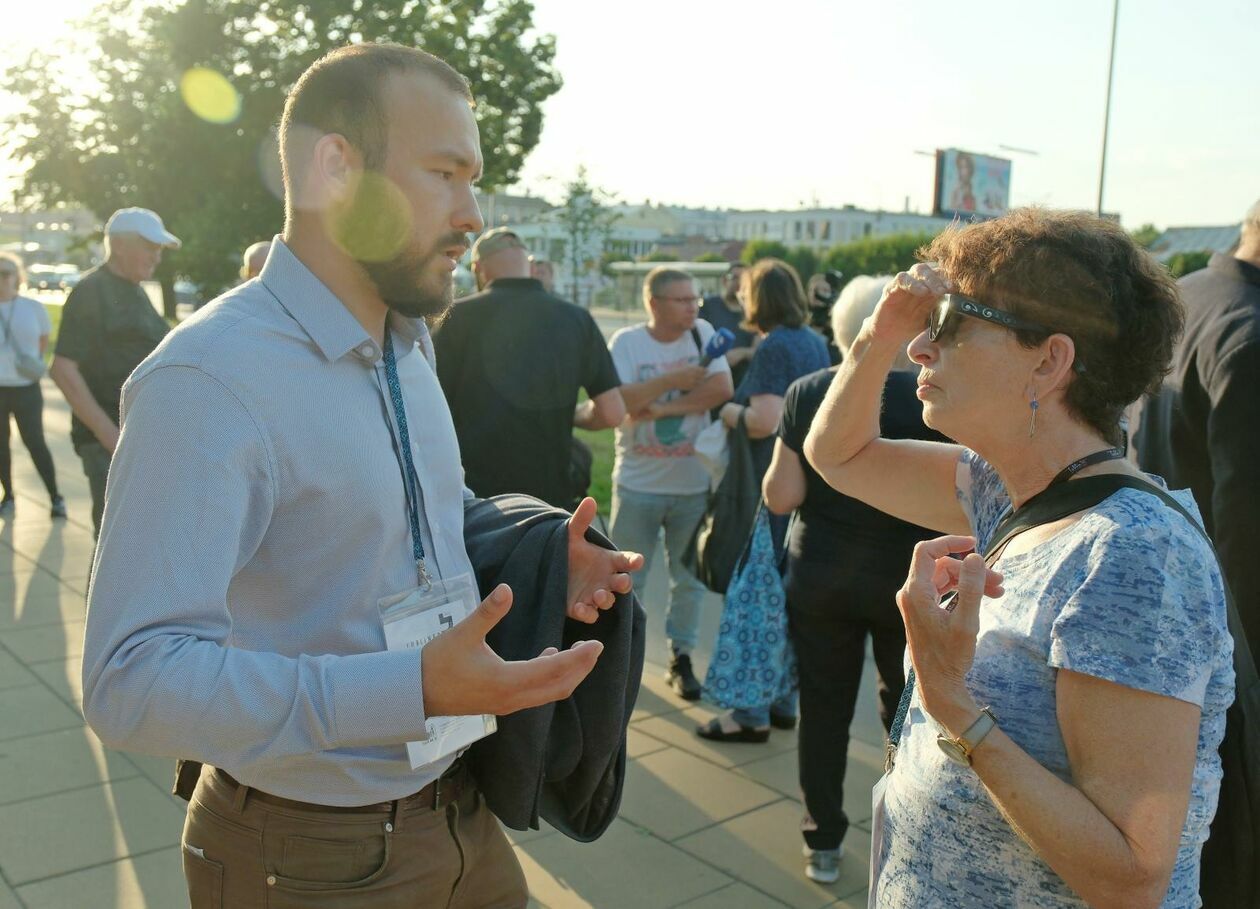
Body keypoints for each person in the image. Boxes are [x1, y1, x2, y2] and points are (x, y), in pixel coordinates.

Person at [80, 43, 644, 908]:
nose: (471, 215)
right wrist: (406, 688)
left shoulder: (406, 342)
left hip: (461, 808)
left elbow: (421, 512)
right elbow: (129, 681)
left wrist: (535, 559)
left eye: (475, 179)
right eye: (445, 174)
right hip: (305, 853)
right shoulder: (208, 380)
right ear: (337, 168)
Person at [805, 209, 1233, 907]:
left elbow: (1131, 874)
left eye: (947, 320)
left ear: (1049, 360)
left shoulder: (1133, 553)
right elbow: (838, 455)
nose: (921, 344)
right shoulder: (1005, 485)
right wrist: (875, 337)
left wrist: (956, 706)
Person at [762, 274, 944, 883]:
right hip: (913, 584)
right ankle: (904, 832)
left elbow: (782, 496)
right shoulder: (936, 400)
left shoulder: (811, 390)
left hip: (822, 579)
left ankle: (824, 841)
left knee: (824, 709)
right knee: (909, 712)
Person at [698, 257, 830, 741]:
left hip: (770, 487)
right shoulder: (814, 341)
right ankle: (782, 702)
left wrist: (727, 410)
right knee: (786, 599)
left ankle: (747, 715)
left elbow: (765, 420)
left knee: (755, 599)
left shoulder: (775, 346)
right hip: (809, 489)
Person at [1136, 198, 1260, 659]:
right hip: (1224, 622)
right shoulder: (1251, 332)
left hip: (1160, 577)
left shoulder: (1188, 293)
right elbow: (1246, 523)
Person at [608, 266, 733, 699]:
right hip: (636, 484)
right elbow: (619, 401)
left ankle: (681, 657)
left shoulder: (702, 333)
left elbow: (721, 388)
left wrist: (661, 408)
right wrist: (672, 382)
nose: (692, 306)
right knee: (627, 578)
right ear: (653, 303)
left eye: (694, 298)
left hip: (693, 485)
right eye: (681, 299)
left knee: (688, 581)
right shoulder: (627, 343)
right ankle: (623, 659)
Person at [435, 226, 625, 508]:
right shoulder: (576, 318)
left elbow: (428, 408)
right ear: (528, 265)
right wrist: (568, 416)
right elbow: (612, 413)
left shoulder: (456, 317)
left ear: (479, 268)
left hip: (474, 497)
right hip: (549, 496)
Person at [49, 207, 180, 535]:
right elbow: (63, 370)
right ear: (119, 245)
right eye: (150, 247)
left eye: (159, 249)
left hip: (141, 438)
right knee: (117, 546)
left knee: (143, 542)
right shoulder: (93, 291)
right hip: (112, 445)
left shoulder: (135, 290)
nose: (156, 257)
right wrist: (112, 437)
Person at [0, 252, 64, 518]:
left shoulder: (32, 307)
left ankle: (55, 496)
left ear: (17, 276)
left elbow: (43, 340)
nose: (1, 279)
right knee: (1, 446)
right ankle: (9, 495)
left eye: (5, 273)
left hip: (26, 387)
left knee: (35, 442)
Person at [699, 262, 757, 386]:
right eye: (735, 278)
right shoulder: (708, 306)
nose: (739, 283)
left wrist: (742, 353)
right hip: (711, 376)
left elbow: (759, 349)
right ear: (725, 280)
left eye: (744, 279)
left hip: (744, 380)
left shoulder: (754, 312)